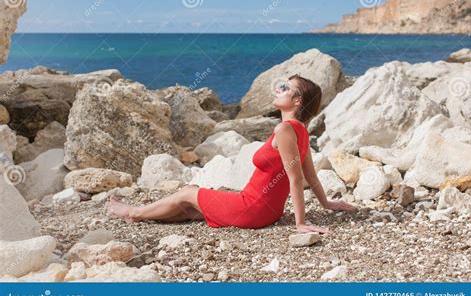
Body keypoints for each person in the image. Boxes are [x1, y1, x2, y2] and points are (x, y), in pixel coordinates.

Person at [107, 74, 357, 233]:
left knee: (186, 192)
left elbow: (296, 179)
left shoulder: (284, 130)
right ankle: (140, 213)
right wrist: (328, 204)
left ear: (297, 101)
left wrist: (300, 224)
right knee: (191, 208)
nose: (277, 89)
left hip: (253, 208)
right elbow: (310, 177)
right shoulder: (300, 130)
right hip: (265, 209)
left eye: (285, 87)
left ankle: (132, 213)